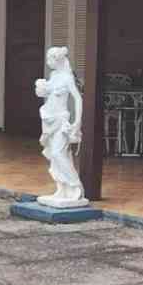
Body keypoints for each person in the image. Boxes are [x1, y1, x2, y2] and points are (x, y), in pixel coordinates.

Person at [35, 46, 86, 207]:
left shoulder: (67, 77)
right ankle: (62, 188)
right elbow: (46, 93)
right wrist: (41, 88)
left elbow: (78, 99)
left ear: (58, 60)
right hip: (48, 119)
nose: (48, 62)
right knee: (54, 156)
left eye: (51, 59)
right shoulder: (53, 75)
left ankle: (75, 186)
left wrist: (77, 121)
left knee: (58, 153)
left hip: (61, 121)